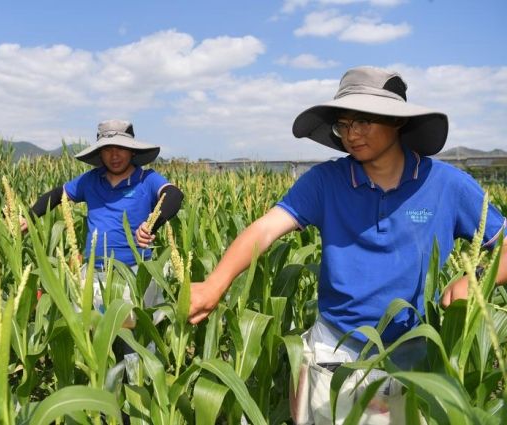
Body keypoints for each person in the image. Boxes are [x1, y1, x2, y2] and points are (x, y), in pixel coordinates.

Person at [187, 66, 507, 423]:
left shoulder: (447, 185)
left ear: (397, 121)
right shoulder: (326, 181)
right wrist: (215, 284)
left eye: (364, 122)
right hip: (334, 353)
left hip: (415, 360)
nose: (352, 135)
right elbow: (264, 230)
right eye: (344, 125)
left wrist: (475, 279)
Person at [25, 119, 184, 313]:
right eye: (108, 149)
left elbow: (173, 195)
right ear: (100, 153)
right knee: (92, 338)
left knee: (131, 339)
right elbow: (58, 195)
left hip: (135, 276)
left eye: (121, 148)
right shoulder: (90, 180)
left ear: (132, 150)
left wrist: (151, 224)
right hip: (94, 276)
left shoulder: (146, 179)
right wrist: (29, 217)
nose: (114, 155)